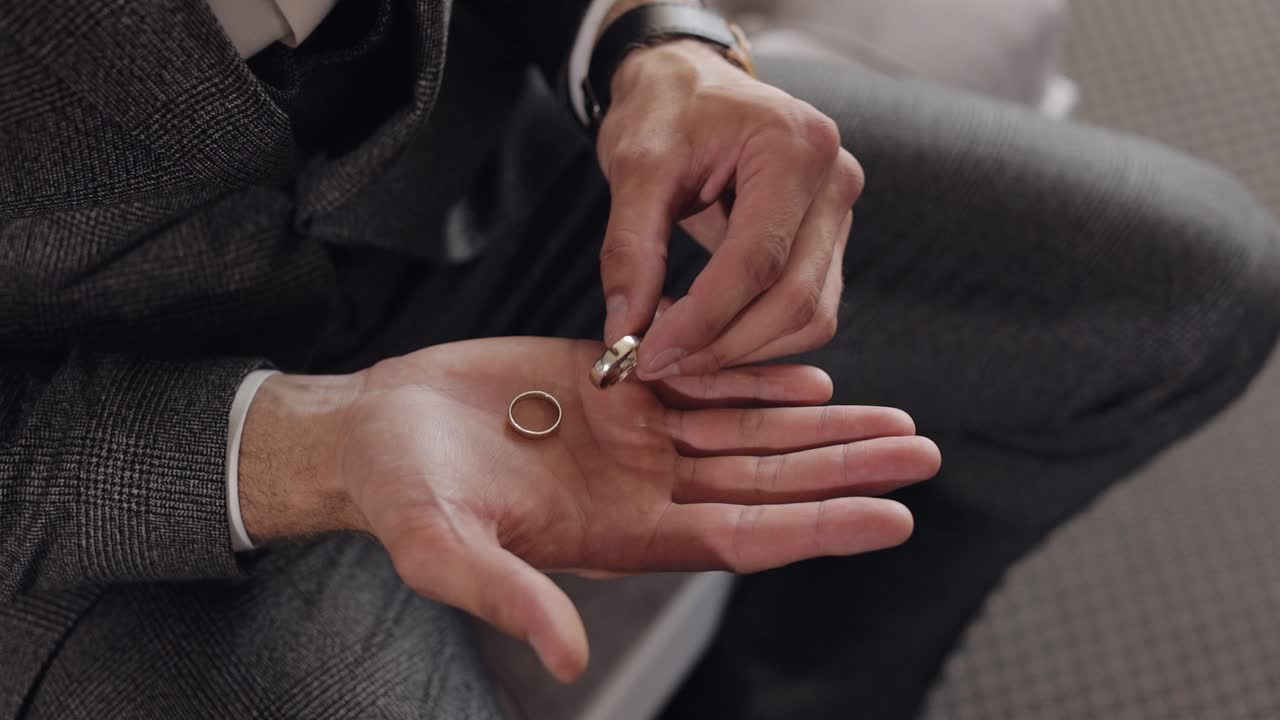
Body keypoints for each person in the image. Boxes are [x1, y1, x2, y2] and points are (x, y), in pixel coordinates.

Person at [0, 1, 1276, 718]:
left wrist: (651, 45)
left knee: (1190, 292)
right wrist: (297, 450)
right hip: (89, 454)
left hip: (486, 178)